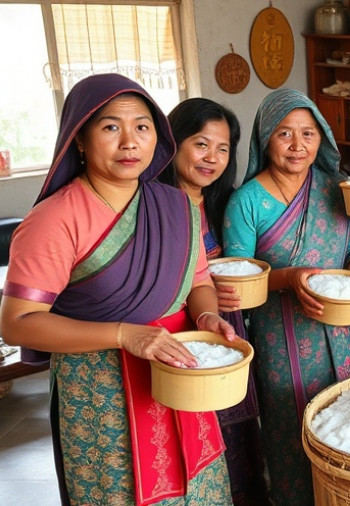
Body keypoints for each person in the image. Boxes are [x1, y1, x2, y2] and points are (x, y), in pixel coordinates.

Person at [0, 74, 235, 505]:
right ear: (80, 140)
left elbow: (199, 280)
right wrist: (125, 334)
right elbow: (17, 324)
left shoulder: (178, 205)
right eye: (111, 127)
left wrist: (206, 316)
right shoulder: (53, 219)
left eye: (142, 127)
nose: (130, 142)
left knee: (199, 487)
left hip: (180, 368)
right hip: (101, 392)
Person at [223, 88, 350, 505]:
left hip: (347, 334)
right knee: (291, 434)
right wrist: (289, 278)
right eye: (284, 134)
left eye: (308, 134)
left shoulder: (335, 189)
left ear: (322, 138)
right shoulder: (246, 203)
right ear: (265, 140)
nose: (298, 146)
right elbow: (237, 280)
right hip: (283, 341)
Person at [158, 98, 268, 505]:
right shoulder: (154, 205)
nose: (212, 158)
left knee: (235, 432)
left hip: (223, 332)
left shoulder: (226, 203)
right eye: (201, 144)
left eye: (223, 149)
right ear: (173, 142)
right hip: (177, 340)